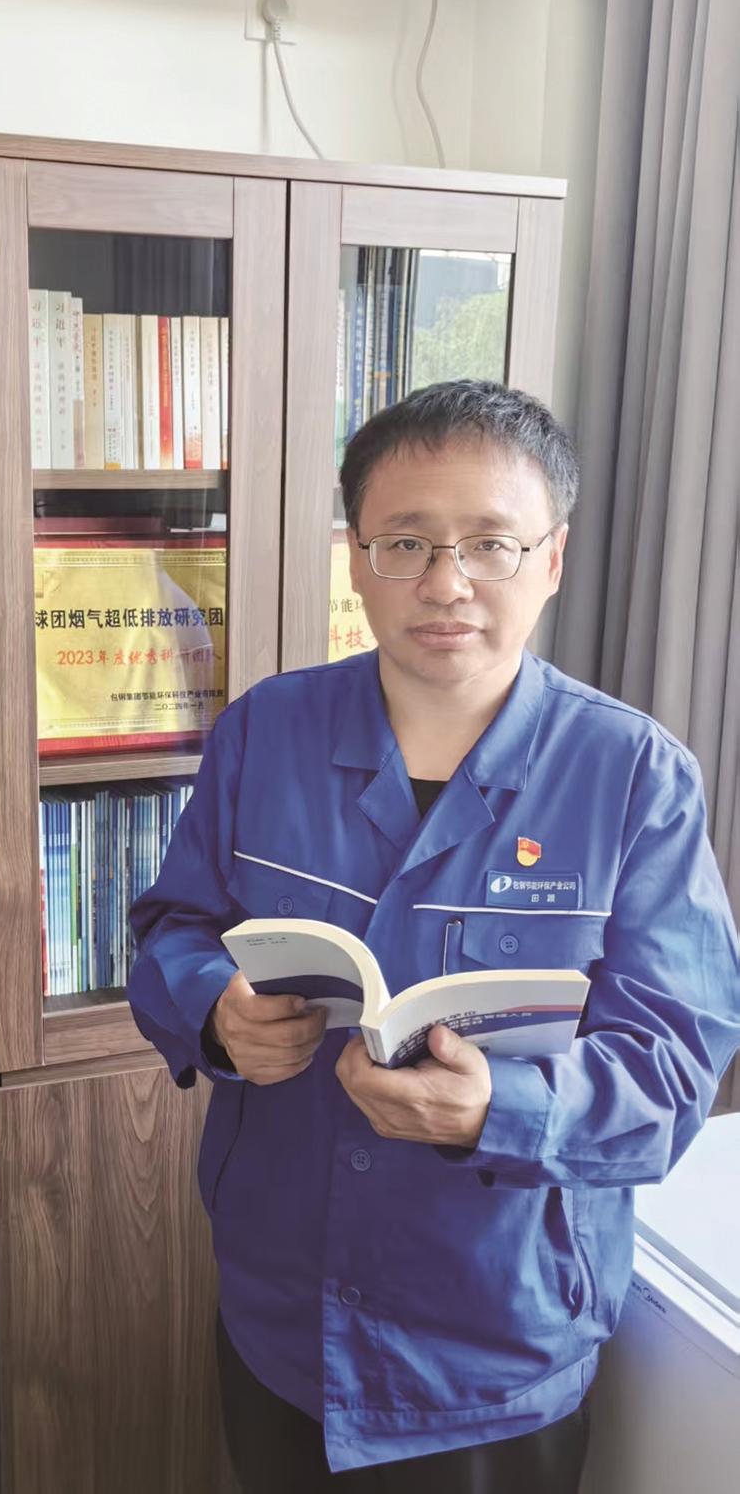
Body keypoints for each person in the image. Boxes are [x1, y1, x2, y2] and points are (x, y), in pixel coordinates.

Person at [127, 379, 740, 1493]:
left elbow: (673, 1067)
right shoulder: (265, 730)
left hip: (495, 1342)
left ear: (550, 560)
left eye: (490, 545)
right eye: (404, 542)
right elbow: (172, 925)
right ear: (356, 556)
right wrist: (214, 1007)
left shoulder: (632, 776)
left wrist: (497, 1108)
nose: (445, 583)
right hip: (282, 1311)